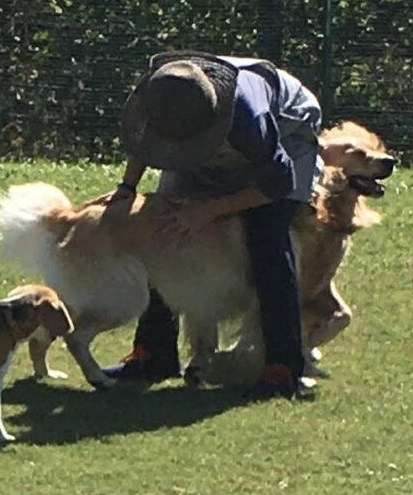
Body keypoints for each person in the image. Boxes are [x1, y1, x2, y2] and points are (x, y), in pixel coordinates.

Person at [104, 51, 323, 399]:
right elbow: (145, 143)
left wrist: (208, 210)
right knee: (162, 228)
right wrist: (127, 188)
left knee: (267, 239)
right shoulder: (161, 94)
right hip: (209, 128)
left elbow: (278, 182)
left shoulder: (249, 118)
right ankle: (153, 355)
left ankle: (282, 369)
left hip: (286, 130)